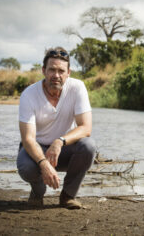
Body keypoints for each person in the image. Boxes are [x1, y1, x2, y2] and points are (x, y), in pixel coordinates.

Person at [17, 46, 96, 209]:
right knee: (26, 167)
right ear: (43, 70)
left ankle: (68, 196)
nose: (56, 75)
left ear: (69, 73)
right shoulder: (29, 94)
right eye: (52, 70)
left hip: (64, 150)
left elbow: (85, 127)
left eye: (61, 71)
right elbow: (28, 139)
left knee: (88, 146)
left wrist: (59, 142)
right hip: (36, 150)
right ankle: (38, 192)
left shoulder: (77, 87)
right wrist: (44, 163)